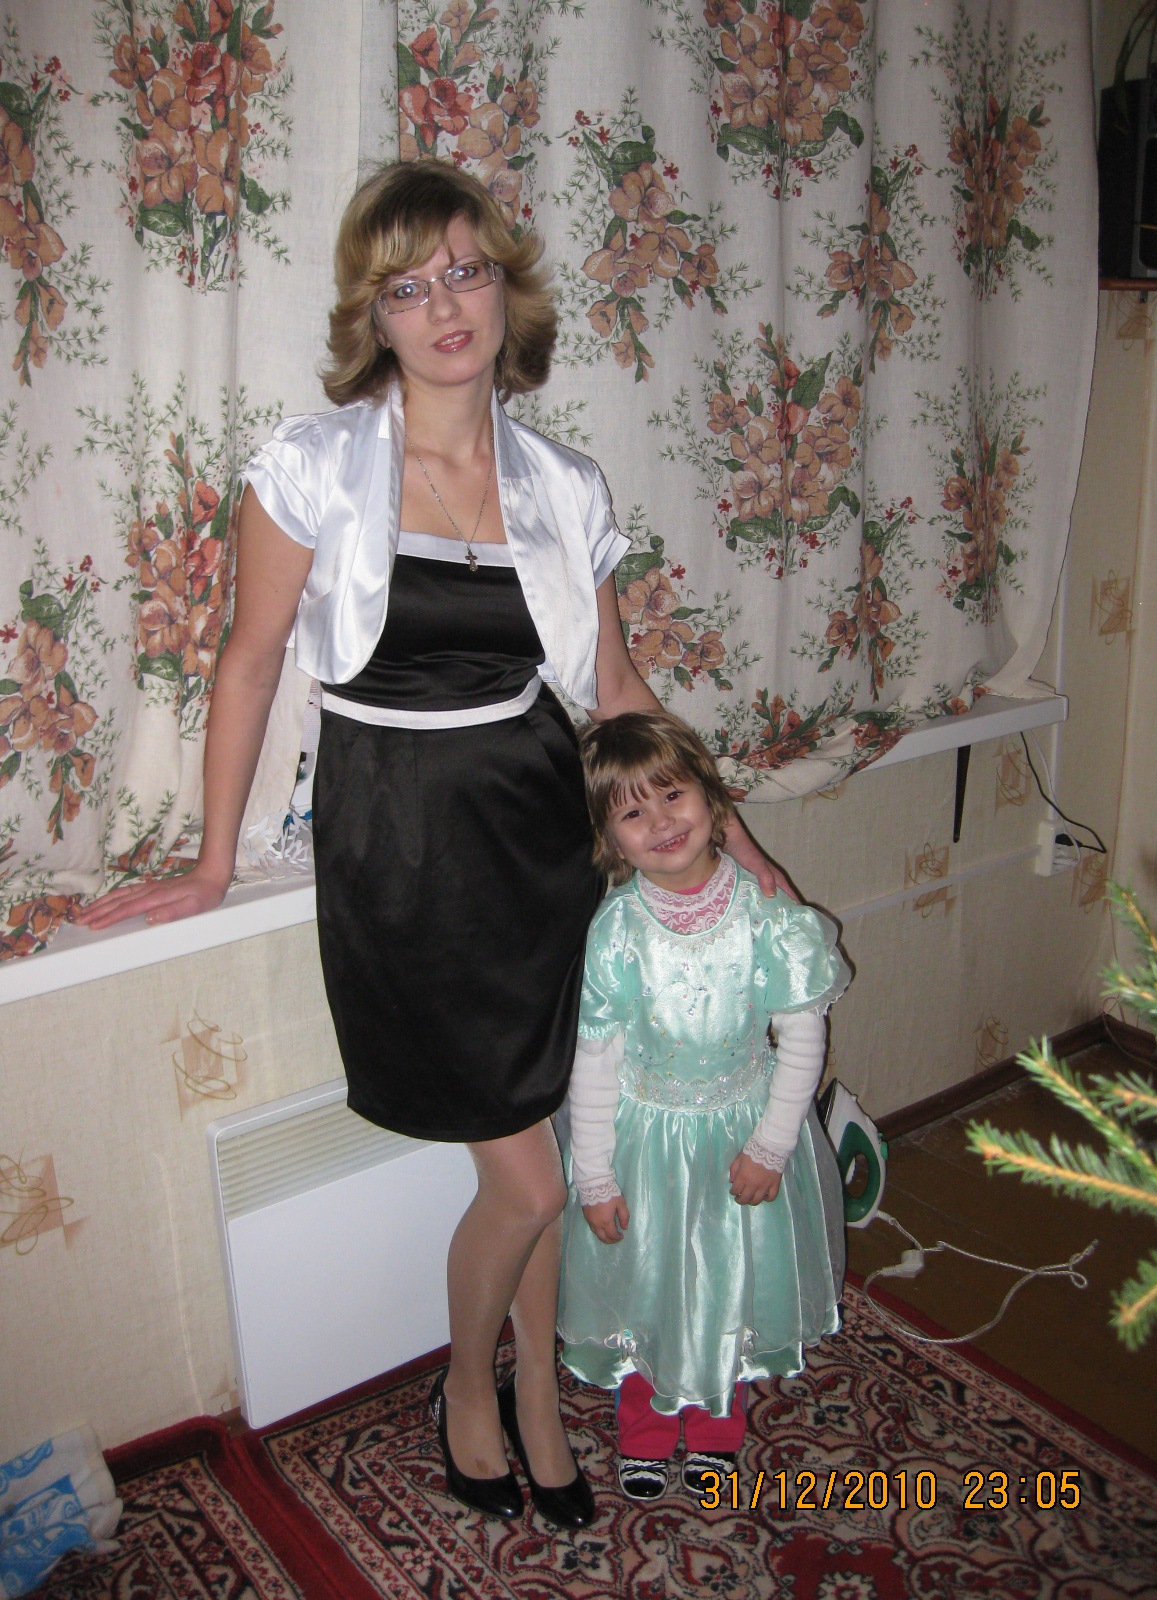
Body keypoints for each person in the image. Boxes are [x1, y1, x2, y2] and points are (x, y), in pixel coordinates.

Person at [78, 160, 785, 1529]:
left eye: (465, 271)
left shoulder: (562, 484)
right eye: (408, 287)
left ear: (504, 287)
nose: (445, 306)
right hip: (398, 840)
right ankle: (470, 1386)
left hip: (538, 829)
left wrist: (737, 843)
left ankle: (537, 1395)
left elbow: (616, 690)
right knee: (527, 1178)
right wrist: (212, 862)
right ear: (375, 316)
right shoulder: (313, 466)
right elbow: (247, 662)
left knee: (543, 1136)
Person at [559, 710, 849, 1502]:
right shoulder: (615, 932)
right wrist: (595, 1176)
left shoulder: (768, 914)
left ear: (713, 800)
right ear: (609, 839)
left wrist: (771, 1146)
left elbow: (802, 1036)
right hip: (644, 1148)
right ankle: (647, 1426)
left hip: (742, 1138)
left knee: (731, 1282)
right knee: (646, 1285)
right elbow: (595, 1060)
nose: (660, 822)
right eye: (632, 812)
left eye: (672, 795)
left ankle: (719, 1421)